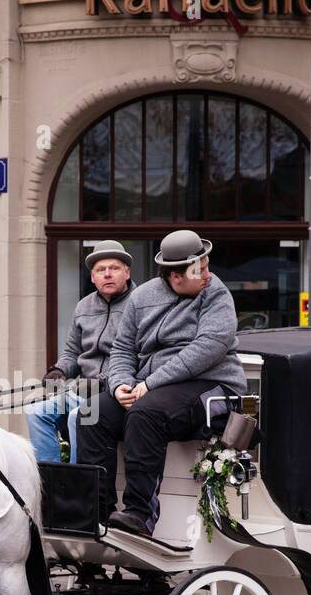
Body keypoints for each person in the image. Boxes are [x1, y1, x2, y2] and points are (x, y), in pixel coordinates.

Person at [77, 229, 246, 537]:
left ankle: (140, 515)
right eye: (201, 270)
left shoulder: (216, 293)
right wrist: (119, 384)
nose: (208, 274)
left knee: (146, 412)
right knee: (90, 414)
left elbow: (208, 347)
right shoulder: (142, 298)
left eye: (207, 265)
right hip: (152, 388)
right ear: (175, 276)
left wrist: (149, 384)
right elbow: (123, 349)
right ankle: (97, 514)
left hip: (211, 383)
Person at [27, 240, 133, 463]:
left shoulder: (139, 303)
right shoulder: (83, 306)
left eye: (114, 268)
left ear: (127, 272)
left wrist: (101, 381)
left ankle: (78, 487)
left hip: (117, 391)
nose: (107, 274)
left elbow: (138, 355)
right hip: (82, 390)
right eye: (100, 270)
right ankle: (50, 481)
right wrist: (59, 370)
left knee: (79, 417)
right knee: (35, 412)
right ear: (92, 277)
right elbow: (72, 352)